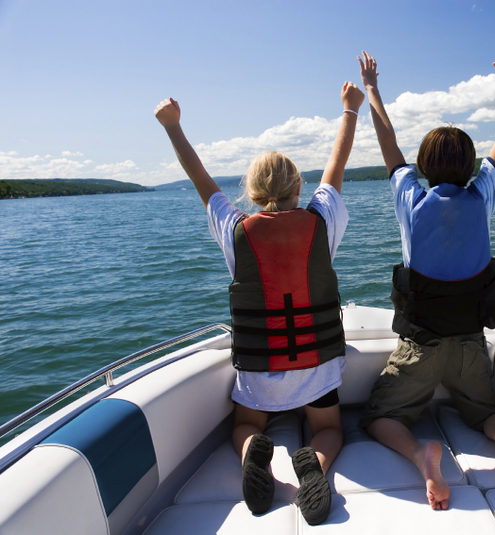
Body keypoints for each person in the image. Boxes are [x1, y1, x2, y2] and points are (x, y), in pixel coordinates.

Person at [154, 81, 364, 525]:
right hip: (317, 365)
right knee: (328, 430)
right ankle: (316, 467)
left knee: (246, 425)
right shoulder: (322, 221)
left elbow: (200, 180)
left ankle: (254, 454)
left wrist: (174, 128)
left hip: (259, 370)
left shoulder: (234, 230)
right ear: (299, 187)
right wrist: (349, 110)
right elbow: (337, 165)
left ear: (249, 192)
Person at [356, 46, 495, 511]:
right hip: (469, 347)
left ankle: (422, 456)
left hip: (419, 348)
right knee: (487, 412)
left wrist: (372, 89)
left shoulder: (410, 198)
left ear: (422, 166)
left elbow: (388, 143)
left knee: (376, 419)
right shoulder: (483, 193)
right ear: (470, 167)